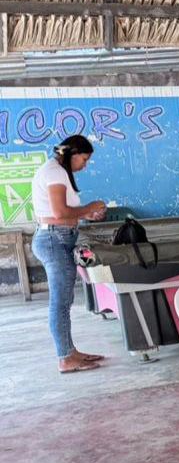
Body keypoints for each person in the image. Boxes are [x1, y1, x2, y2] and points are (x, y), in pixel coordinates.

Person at [29, 135, 108, 373]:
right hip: (54, 240)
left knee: (64, 301)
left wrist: (86, 214)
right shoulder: (55, 172)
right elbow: (60, 211)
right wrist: (90, 207)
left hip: (57, 236)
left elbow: (63, 213)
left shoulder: (56, 170)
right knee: (60, 303)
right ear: (73, 154)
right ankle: (65, 357)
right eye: (84, 159)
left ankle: (70, 351)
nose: (85, 164)